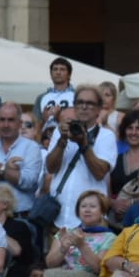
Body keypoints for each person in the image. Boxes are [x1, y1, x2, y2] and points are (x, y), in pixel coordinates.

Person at [43, 87, 116, 231]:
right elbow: (50, 167)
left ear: (98, 109)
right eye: (80, 102)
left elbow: (100, 173)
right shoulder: (60, 131)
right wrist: (62, 141)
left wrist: (84, 144)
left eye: (89, 103)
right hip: (59, 217)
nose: (84, 107)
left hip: (91, 222)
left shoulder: (106, 136)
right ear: (75, 106)